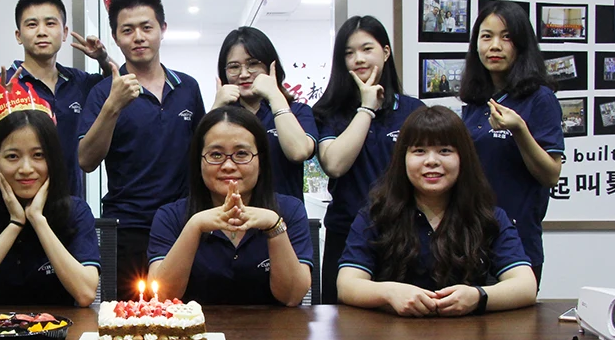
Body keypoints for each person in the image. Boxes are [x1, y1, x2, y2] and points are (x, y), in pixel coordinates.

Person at [338, 106, 537, 316]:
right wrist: (388, 292)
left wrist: (478, 296)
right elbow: (346, 284)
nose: (431, 161)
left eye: (445, 151)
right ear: (402, 158)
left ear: (463, 158)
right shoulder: (376, 214)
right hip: (391, 332)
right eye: (419, 151)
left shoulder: (487, 216)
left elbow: (526, 286)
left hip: (467, 333)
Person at [77, 0, 205, 299]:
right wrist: (113, 106)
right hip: (127, 227)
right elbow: (86, 160)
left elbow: (203, 154)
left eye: (147, 27)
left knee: (186, 316)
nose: (138, 37)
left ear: (162, 29)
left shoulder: (187, 88)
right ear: (116, 38)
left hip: (182, 225)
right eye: (127, 30)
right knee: (128, 319)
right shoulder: (103, 93)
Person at [0, 76, 99, 307]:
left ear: (52, 160)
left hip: (60, 329)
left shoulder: (75, 211)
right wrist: (15, 224)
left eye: (38, 155)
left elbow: (86, 293)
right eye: (12, 156)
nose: (26, 169)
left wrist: (38, 220)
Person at [147, 106, 313, 305]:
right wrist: (194, 226)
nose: (228, 165)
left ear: (261, 161)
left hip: (275, 325)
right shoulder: (170, 216)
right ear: (198, 161)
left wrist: (274, 226)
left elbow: (293, 297)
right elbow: (161, 296)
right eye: (216, 155)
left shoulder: (290, 210)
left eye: (241, 154)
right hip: (196, 325)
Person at [313, 15, 424, 304]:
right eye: (349, 53)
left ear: (385, 52)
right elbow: (334, 165)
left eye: (367, 49)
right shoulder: (330, 111)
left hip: (404, 234)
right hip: (346, 231)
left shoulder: (412, 111)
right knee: (340, 322)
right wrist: (366, 108)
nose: (358, 59)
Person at [457, 0, 564, 285]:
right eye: (486, 36)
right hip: (469, 239)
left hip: (517, 242)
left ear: (521, 44)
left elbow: (551, 175)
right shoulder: (475, 102)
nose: (495, 46)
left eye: (506, 37)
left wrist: (519, 130)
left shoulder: (540, 98)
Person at [0, 0, 111, 196]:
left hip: (70, 202)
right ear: (18, 36)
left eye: (50, 23)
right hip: (16, 202)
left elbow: (119, 87)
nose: (41, 32)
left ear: (64, 33)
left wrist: (103, 58)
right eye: (32, 25)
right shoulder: (2, 84)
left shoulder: (79, 82)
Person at [211, 27, 316, 200]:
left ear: (270, 66)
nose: (244, 74)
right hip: (233, 212)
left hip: (285, 212)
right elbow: (202, 164)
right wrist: (216, 109)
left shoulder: (298, 111)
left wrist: (274, 95)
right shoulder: (222, 115)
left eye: (253, 64)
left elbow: (299, 152)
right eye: (234, 67)